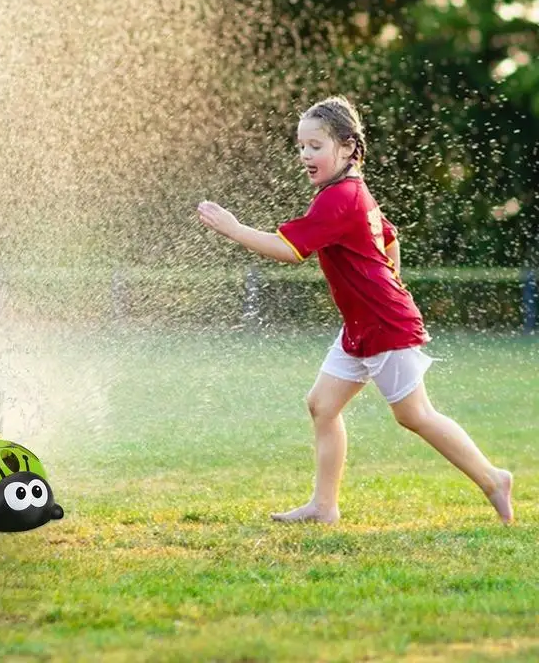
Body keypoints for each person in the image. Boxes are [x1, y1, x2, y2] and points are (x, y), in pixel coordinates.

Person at [197, 95, 513, 525]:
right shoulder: (353, 191)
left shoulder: (339, 198)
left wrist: (234, 229)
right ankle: (324, 508)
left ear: (346, 147)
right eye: (301, 147)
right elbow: (390, 238)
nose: (305, 155)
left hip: (384, 325)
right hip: (363, 326)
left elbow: (291, 251)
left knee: (415, 415)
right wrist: (389, 285)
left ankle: (494, 479)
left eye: (315, 146)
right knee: (322, 405)